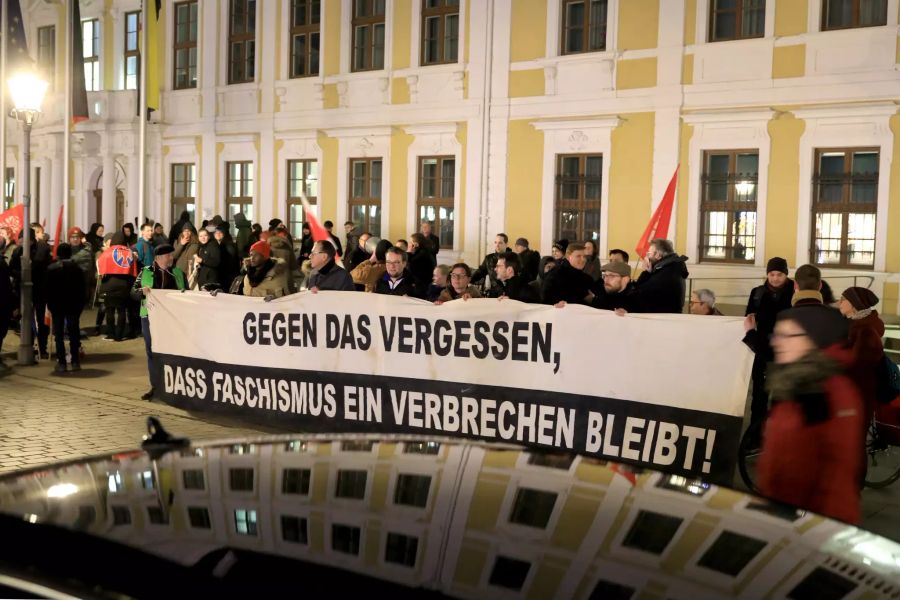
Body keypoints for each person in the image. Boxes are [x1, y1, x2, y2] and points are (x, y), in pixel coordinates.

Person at [757, 307, 863, 524]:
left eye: (786, 335)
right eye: (776, 335)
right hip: (783, 518)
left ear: (814, 340)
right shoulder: (798, 383)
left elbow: (834, 476)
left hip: (811, 528)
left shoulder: (826, 393)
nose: (776, 342)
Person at [742, 257, 795, 431]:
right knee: (759, 397)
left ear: (786, 275)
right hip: (762, 352)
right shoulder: (757, 293)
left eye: (779, 274)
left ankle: (779, 435)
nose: (775, 278)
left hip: (786, 353)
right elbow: (749, 318)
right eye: (771, 274)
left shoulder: (795, 293)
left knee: (783, 397)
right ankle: (756, 434)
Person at [132, 243, 187, 401]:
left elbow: (187, 294)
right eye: (167, 256)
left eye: (171, 255)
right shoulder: (146, 272)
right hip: (149, 317)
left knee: (172, 352)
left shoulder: (178, 273)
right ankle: (155, 386)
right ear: (158, 258)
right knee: (152, 352)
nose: (171, 258)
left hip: (170, 319)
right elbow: (132, 293)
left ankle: (173, 387)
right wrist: (140, 292)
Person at [839, 286, 885, 423]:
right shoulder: (856, 324)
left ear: (854, 304)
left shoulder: (864, 330)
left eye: (843, 299)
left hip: (858, 393)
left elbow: (859, 365)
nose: (839, 302)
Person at [10, 224, 52, 358]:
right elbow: (12, 268)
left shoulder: (42, 248)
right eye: (21, 240)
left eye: (25, 240)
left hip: (40, 290)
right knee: (26, 320)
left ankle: (42, 347)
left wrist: (26, 272)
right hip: (24, 290)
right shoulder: (18, 251)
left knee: (42, 321)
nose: (22, 243)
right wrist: (20, 274)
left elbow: (39, 267)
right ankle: (29, 344)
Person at [43, 244, 86, 373]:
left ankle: (61, 362)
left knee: (59, 334)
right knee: (74, 333)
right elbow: (82, 289)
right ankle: (75, 362)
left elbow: (47, 289)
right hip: (73, 305)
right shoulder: (77, 269)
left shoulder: (52, 269)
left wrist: (49, 304)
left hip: (57, 305)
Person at [98, 232, 137, 341]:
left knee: (110, 310)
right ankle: (119, 335)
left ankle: (111, 334)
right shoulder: (129, 252)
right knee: (121, 310)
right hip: (124, 285)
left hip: (109, 283)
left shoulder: (108, 252)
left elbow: (100, 268)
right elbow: (133, 271)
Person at [632, 239, 689, 313]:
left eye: (649, 253)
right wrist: (649, 273)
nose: (647, 257)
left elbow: (638, 293)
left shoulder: (666, 272)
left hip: (662, 319)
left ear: (658, 255)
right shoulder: (672, 267)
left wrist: (645, 272)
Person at [69, 227, 96, 306]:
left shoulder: (86, 249)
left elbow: (74, 259)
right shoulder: (67, 248)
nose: (75, 239)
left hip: (83, 277)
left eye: (77, 237)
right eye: (72, 237)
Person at [407, 233, 436, 298]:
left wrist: (409, 252)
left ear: (415, 244)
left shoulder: (421, 255)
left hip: (420, 287)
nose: (408, 244)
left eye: (410, 242)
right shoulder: (425, 252)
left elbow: (411, 268)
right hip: (424, 285)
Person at [214, 224, 240, 291]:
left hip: (228, 275)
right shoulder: (218, 244)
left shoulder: (228, 245)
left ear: (224, 234)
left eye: (220, 233)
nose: (218, 234)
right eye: (216, 233)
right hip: (224, 274)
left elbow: (231, 261)